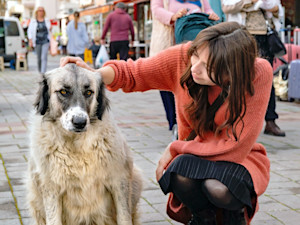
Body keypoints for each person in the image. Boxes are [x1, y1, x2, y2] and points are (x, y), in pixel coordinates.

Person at [61, 22, 272, 225]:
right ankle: (202, 218)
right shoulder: (184, 57)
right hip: (195, 154)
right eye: (196, 56)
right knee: (179, 171)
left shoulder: (257, 73)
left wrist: (174, 147)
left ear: (232, 70)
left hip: (238, 157)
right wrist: (94, 76)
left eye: (208, 66)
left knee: (217, 188)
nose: (195, 68)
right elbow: (135, 73)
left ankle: (234, 218)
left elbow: (235, 146)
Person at [150, 0, 220, 140]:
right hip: (169, 39)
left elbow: (208, 9)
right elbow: (156, 9)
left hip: (193, 40)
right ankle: (174, 121)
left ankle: (194, 121)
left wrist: (211, 15)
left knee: (192, 80)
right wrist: (173, 16)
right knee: (166, 81)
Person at [222, 0, 286, 137]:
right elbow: (226, 8)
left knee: (267, 76)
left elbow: (278, 11)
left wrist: (271, 7)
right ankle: (236, 120)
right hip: (241, 36)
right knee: (239, 77)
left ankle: (270, 120)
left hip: (265, 37)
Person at [27, 6, 51, 75]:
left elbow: (49, 30)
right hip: (37, 41)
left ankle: (43, 73)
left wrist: (50, 29)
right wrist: (30, 40)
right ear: (37, 12)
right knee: (39, 58)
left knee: (44, 57)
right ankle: (40, 71)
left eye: (42, 10)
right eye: (39, 10)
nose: (41, 12)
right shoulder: (33, 21)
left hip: (45, 41)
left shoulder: (46, 20)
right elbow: (29, 31)